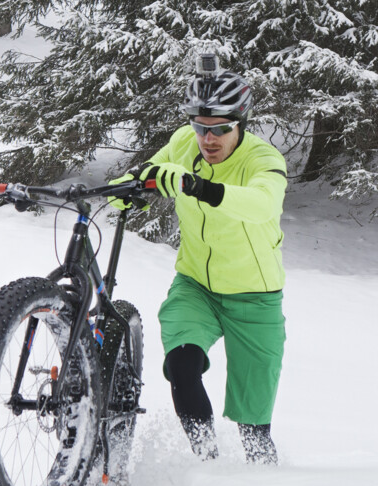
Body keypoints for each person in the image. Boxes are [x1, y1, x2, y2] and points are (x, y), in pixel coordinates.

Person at [111, 55, 288, 464]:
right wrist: (122, 188)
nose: (208, 140)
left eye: (220, 130)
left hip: (256, 297)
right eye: (200, 128)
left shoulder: (264, 160)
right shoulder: (184, 144)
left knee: (254, 427)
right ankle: (208, 462)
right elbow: (148, 173)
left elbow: (263, 204)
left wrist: (198, 187)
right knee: (181, 367)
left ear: (240, 123)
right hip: (196, 287)